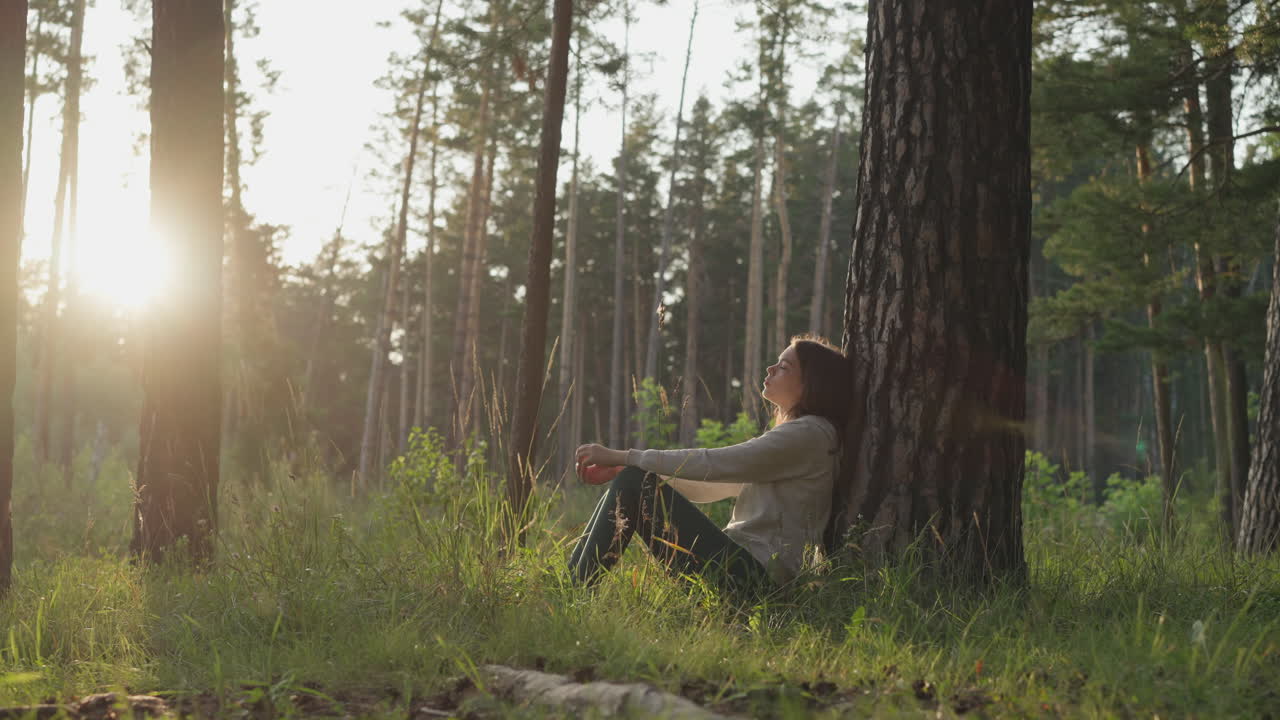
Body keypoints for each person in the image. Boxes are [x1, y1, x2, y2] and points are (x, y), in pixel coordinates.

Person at [568, 334, 851, 594]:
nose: (770, 369)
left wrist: (624, 457)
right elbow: (715, 484)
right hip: (745, 572)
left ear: (811, 384)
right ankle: (572, 586)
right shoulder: (803, 436)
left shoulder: (810, 433)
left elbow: (716, 463)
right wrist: (631, 470)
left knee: (633, 480)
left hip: (756, 578)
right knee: (632, 479)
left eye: (784, 367)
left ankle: (574, 591)